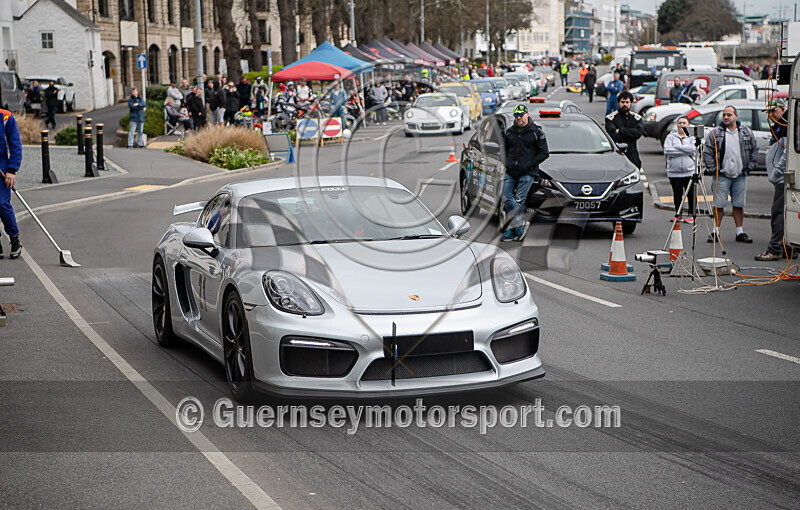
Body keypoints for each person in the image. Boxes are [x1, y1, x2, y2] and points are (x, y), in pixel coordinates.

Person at [702, 105, 758, 243]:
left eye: (729, 115)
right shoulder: (715, 133)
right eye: (724, 115)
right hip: (721, 176)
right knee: (718, 205)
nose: (726, 117)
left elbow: (754, 150)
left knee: (739, 204)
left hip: (740, 176)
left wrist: (749, 168)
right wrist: (713, 169)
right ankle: (715, 231)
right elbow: (707, 152)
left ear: (736, 116)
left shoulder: (745, 132)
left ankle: (740, 232)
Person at [501, 104, 550, 242]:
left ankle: (512, 229)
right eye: (516, 116)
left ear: (527, 114)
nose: (519, 119)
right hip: (511, 171)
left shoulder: (536, 132)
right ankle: (519, 223)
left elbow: (544, 153)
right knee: (505, 196)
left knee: (519, 200)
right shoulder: (510, 132)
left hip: (528, 172)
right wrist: (507, 163)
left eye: (521, 115)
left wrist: (529, 164)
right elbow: (504, 151)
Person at [756, 99, 795, 260]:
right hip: (779, 178)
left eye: (773, 111)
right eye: (769, 113)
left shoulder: (785, 125)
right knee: (784, 213)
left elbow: (787, 154)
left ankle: (775, 249)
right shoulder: (780, 126)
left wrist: (778, 171)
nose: (771, 115)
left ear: (781, 109)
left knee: (778, 213)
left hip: (781, 179)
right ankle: (788, 247)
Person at [663, 116, 696, 223]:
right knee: (677, 194)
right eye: (680, 123)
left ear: (688, 125)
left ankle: (691, 214)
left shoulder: (692, 137)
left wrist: (677, 147)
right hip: (674, 172)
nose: (682, 125)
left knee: (691, 194)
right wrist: (685, 150)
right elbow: (667, 150)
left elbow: (693, 149)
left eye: (684, 123)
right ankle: (678, 214)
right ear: (676, 125)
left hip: (689, 171)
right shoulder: (671, 137)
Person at [0, 107, 23, 259]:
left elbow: (15, 145)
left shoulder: (5, 117)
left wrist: (12, 170)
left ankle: (14, 238)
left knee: (2, 204)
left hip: (2, 166)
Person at [605, 91, 643, 169]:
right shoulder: (611, 118)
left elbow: (638, 133)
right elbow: (613, 135)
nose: (625, 104)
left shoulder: (636, 118)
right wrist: (630, 134)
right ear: (618, 103)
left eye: (627, 102)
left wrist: (621, 130)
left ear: (631, 103)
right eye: (622, 102)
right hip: (616, 154)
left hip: (632, 154)